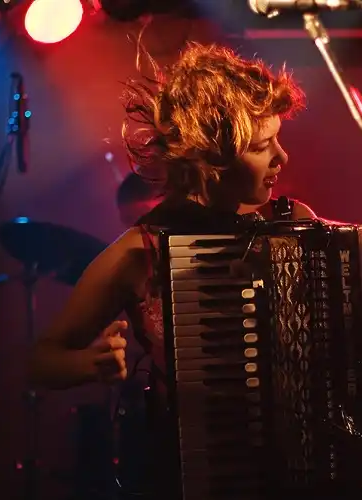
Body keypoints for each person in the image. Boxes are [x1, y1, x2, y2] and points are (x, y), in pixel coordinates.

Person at [29, 41, 315, 390]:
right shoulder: (141, 251)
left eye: (276, 139)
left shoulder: (294, 223)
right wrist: (90, 364)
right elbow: (40, 363)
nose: (282, 157)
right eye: (260, 147)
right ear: (209, 157)